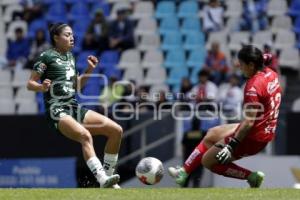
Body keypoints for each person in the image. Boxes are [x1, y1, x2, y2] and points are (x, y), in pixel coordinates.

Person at [168, 45, 282, 188]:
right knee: (211, 134)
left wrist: (231, 145)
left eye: (242, 65)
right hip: (263, 128)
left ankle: (251, 177)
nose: (240, 68)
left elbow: (248, 122)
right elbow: (267, 56)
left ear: (252, 65)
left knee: (207, 161)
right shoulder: (270, 72)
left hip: (253, 137)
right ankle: (184, 172)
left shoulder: (253, 86)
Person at [27, 23, 122, 188]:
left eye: (72, 34)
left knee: (116, 131)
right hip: (57, 109)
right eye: (67, 35)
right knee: (85, 136)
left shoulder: (71, 57)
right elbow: (30, 83)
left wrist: (90, 70)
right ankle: (102, 179)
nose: (72, 37)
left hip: (73, 106)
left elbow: (77, 86)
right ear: (56, 38)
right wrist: (41, 87)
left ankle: (108, 176)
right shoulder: (46, 56)